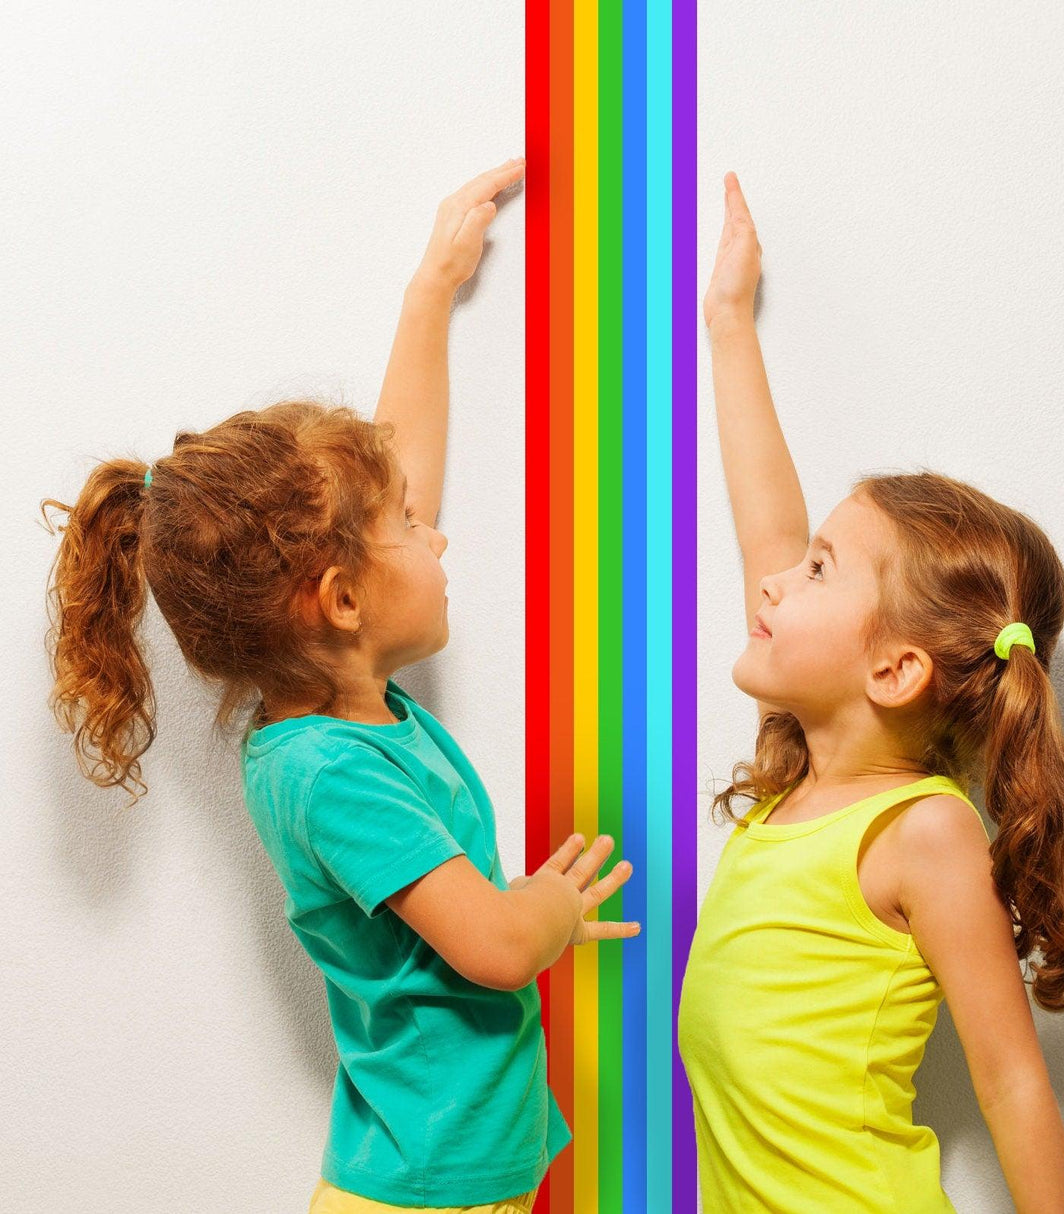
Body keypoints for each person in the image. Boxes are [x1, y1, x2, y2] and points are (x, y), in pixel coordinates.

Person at [42, 157, 642, 1213]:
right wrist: (546, 905)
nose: (437, 531)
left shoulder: (335, 730)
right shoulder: (328, 773)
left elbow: (395, 473)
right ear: (344, 600)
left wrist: (430, 291)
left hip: (450, 1175)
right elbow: (498, 948)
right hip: (420, 1191)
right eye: (412, 526)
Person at [677, 171, 1064, 1213]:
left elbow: (1009, 1080)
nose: (776, 581)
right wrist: (726, 323)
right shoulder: (797, 773)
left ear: (893, 669)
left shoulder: (920, 830)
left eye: (819, 569)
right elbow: (763, 525)